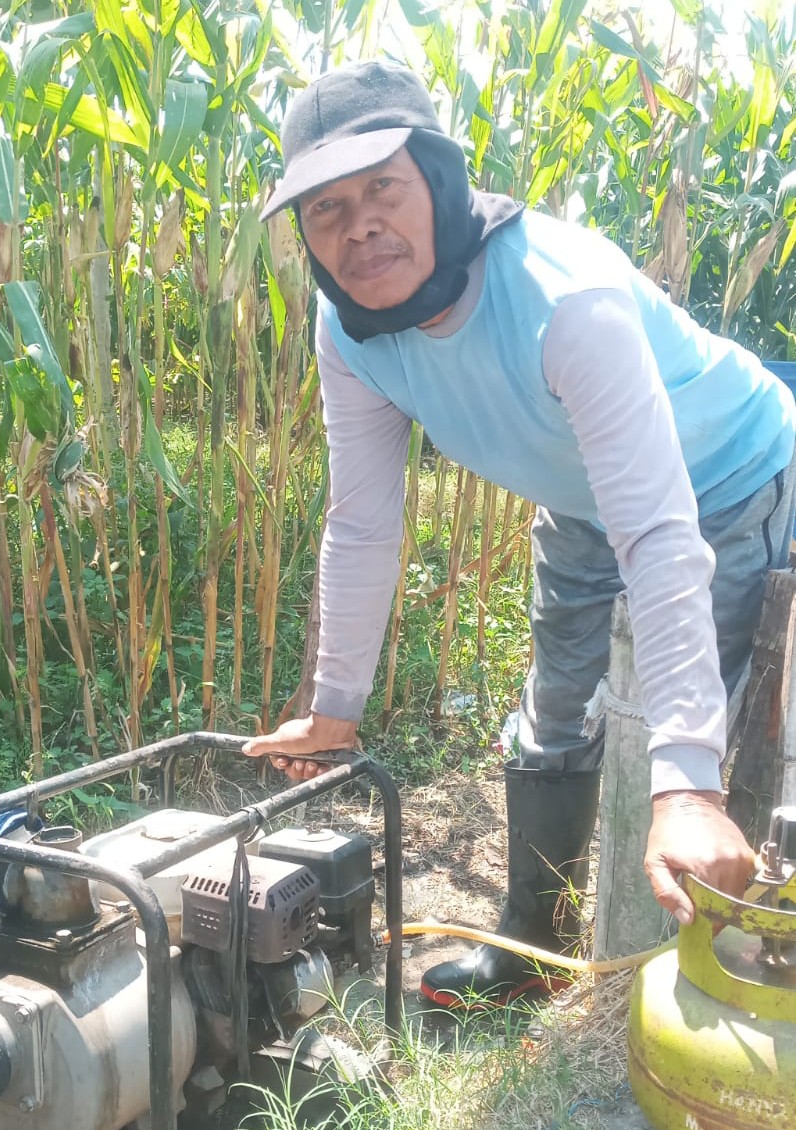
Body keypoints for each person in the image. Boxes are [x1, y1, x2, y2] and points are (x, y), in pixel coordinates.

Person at [243, 60, 796, 1008]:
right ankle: (533, 945)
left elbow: (660, 534)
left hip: (729, 475)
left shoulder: (562, 302)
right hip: (576, 494)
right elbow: (364, 520)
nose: (359, 225)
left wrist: (688, 782)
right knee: (553, 709)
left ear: (441, 184)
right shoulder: (351, 334)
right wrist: (336, 703)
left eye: (383, 188)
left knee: (741, 732)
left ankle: (723, 974)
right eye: (326, 208)